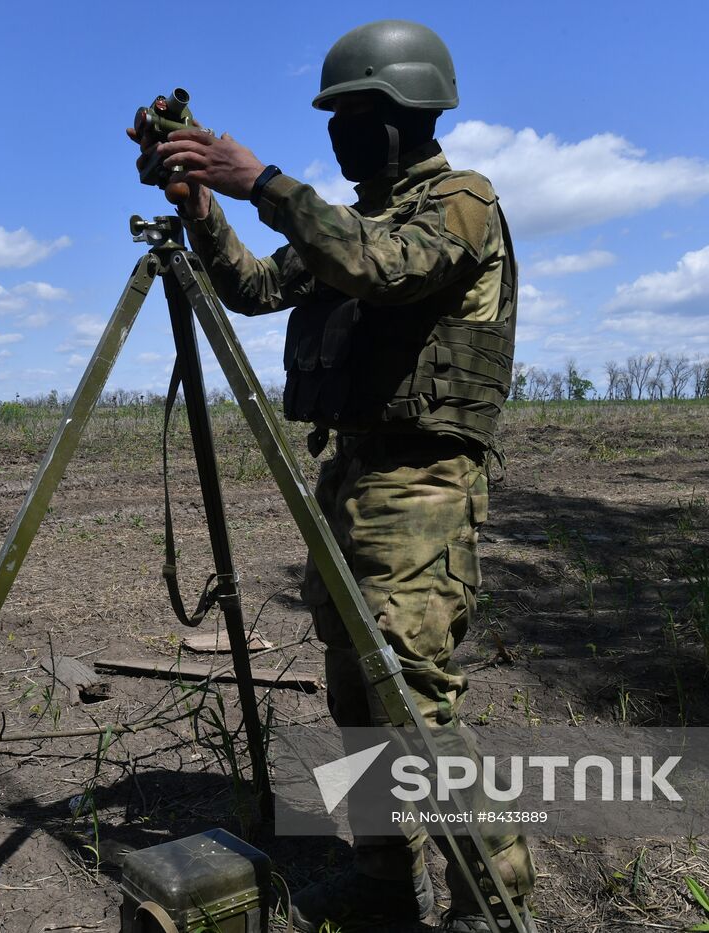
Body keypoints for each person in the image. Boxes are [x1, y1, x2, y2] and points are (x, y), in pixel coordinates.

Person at [131, 19, 534, 932]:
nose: (345, 132)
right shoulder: (346, 221)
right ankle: (387, 882)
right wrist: (203, 206)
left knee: (412, 698)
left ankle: (496, 903)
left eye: (359, 114)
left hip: (422, 484)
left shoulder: (459, 202)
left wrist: (264, 181)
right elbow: (256, 287)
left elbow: (379, 268)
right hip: (350, 479)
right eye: (336, 116)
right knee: (356, 695)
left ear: (408, 114)